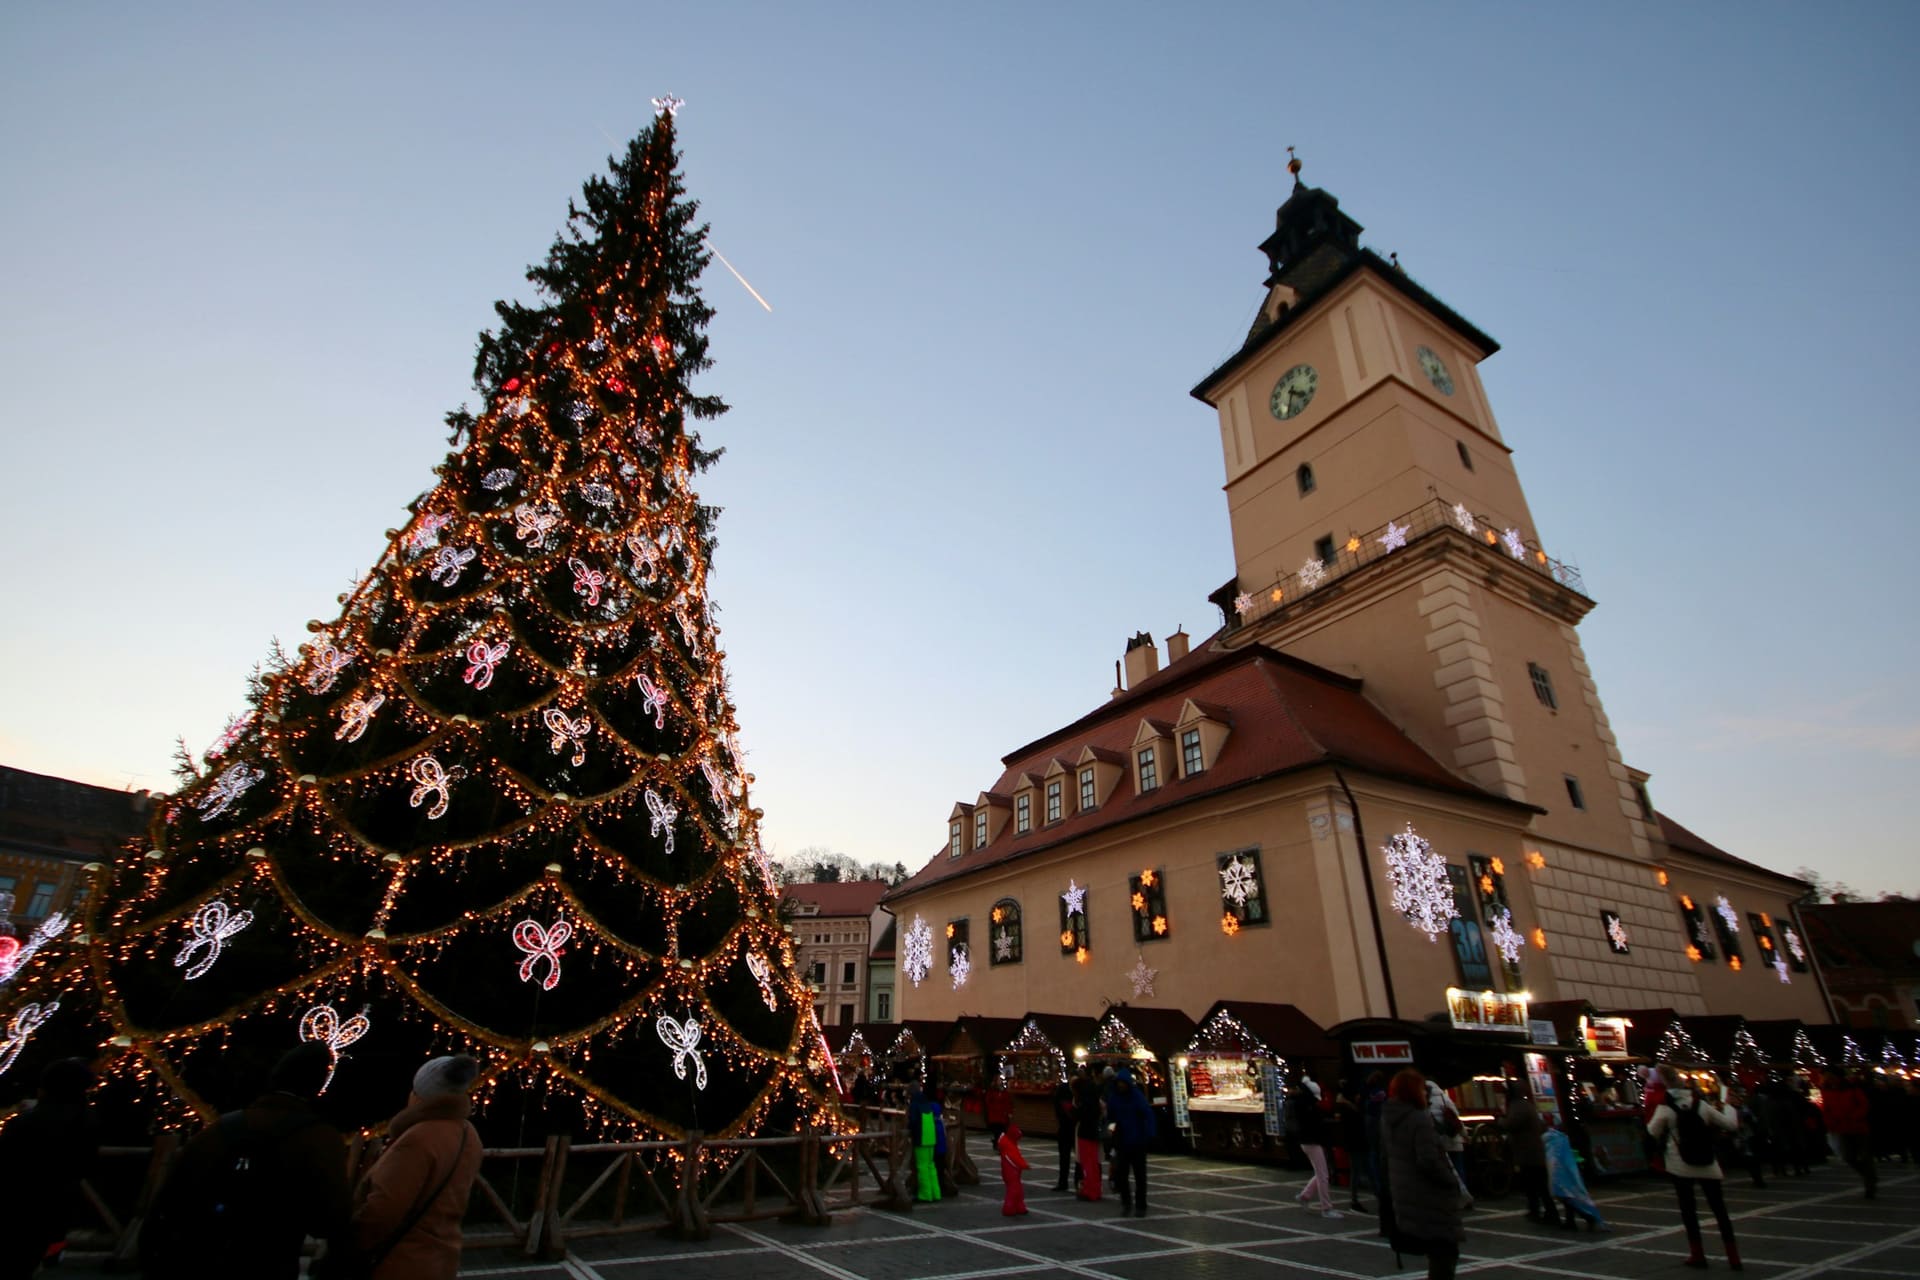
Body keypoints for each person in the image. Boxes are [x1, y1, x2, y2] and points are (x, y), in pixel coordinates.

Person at [140, 1043, 350, 1280]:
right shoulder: (319, 1138)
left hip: (195, 1258)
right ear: (319, 1084)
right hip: (266, 1262)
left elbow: (170, 1196)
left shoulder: (220, 1129)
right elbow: (330, 1217)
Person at [348, 1054, 486, 1280]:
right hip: (443, 1258)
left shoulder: (417, 1139)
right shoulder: (468, 1135)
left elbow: (385, 1209)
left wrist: (350, 1244)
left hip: (400, 1262)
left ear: (420, 1095)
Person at [0, 1058, 98, 1280]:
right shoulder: (86, 1122)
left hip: (17, 1209)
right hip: (56, 1209)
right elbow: (87, 1165)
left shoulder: (26, 1124)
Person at [1647, 1071, 1741, 1270]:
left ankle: (1697, 1254)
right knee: (1719, 1210)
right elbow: (1730, 1125)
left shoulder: (1665, 1108)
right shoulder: (1702, 1106)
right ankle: (1734, 1257)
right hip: (1707, 1163)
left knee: (1689, 1211)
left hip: (1679, 1164)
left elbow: (1652, 1131)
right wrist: (1730, 1106)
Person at [1380, 1068, 1466, 1280]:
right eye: (1422, 1088)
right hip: (1429, 1196)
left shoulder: (1390, 1119)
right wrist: (1450, 1182)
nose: (1426, 1093)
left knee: (1437, 1253)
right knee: (1444, 1254)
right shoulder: (1419, 1119)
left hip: (1407, 1194)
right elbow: (1428, 1160)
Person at [1499, 1090, 1554, 1225]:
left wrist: (1500, 1121)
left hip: (1527, 1152)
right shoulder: (1527, 1105)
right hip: (1535, 1151)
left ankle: (1538, 1211)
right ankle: (1548, 1211)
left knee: (1532, 1184)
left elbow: (1511, 1124)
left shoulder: (1517, 1106)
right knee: (1540, 1185)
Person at [1289, 1069, 1339, 1217]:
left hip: (1307, 1141)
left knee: (1321, 1172)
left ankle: (1305, 1196)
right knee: (1323, 1174)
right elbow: (1315, 1125)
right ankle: (1326, 1208)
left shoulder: (1301, 1104)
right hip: (1312, 1141)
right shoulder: (1309, 1107)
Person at [1107, 1066, 1156, 1217]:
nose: (1121, 1085)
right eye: (1119, 1083)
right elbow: (1111, 1118)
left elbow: (1147, 1115)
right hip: (1122, 1141)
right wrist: (1111, 1133)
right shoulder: (1115, 1097)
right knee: (1122, 1175)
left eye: (1123, 1083)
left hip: (1138, 1141)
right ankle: (1126, 1203)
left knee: (1140, 1175)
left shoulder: (1136, 1097)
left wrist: (1149, 1134)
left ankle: (1141, 1205)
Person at [1542, 1119, 1606, 1230]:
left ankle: (1584, 1218)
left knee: (1567, 1197)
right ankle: (1578, 1219)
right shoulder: (1562, 1139)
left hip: (1559, 1172)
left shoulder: (1549, 1139)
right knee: (1570, 1196)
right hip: (1567, 1170)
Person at [1819, 1070, 1874, 1199]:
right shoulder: (1827, 1091)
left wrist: (1855, 1116)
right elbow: (1826, 1109)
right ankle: (1868, 1175)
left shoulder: (1852, 1089)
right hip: (1842, 1128)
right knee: (1848, 1157)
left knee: (1865, 1157)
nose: (1829, 1080)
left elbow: (1864, 1104)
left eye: (1831, 1077)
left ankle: (1869, 1184)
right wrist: (1830, 1122)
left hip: (1858, 1127)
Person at [1334, 1080, 1373, 1213]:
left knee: (1363, 1170)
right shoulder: (1349, 1109)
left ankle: (1355, 1199)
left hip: (1356, 1143)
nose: (1359, 1096)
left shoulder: (1348, 1107)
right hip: (1356, 1143)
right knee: (1360, 1171)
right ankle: (1354, 1200)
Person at [1426, 1079, 1468, 1189]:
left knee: (1445, 1170)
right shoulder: (1445, 1098)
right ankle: (1463, 1192)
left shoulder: (1425, 1102)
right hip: (1454, 1139)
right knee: (1459, 1169)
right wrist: (1465, 1135)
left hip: (1440, 1141)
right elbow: (1456, 1119)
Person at [1073, 1068, 1104, 1200]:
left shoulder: (1084, 1102)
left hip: (1085, 1133)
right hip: (1094, 1133)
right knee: (1094, 1163)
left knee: (1087, 1163)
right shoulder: (1095, 1102)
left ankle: (1089, 1190)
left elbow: (1079, 1115)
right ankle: (1095, 1189)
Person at [907, 1083, 941, 1202]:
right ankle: (935, 1193)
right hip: (931, 1137)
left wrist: (909, 1129)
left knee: (922, 1167)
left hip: (921, 1138)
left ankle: (925, 1195)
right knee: (931, 1166)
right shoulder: (927, 1102)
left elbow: (913, 1121)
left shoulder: (914, 1104)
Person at [996, 1120, 1030, 1215]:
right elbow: (1015, 1158)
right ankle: (1009, 1208)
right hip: (1011, 1172)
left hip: (1012, 1172)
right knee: (1014, 1191)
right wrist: (1024, 1165)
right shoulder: (1009, 1146)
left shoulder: (1009, 1143)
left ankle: (1019, 1207)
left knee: (1017, 1190)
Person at [1052, 1074, 1078, 1191]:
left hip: (1074, 1128)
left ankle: (1077, 1182)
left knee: (1078, 1158)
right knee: (1064, 1157)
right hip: (1066, 1128)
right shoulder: (1063, 1091)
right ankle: (1063, 1182)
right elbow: (1058, 1107)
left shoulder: (1077, 1091)